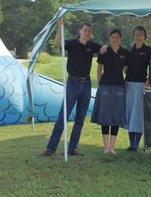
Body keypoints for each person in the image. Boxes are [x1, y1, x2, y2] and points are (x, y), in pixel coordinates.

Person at [40, 19, 104, 157]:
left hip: (86, 85)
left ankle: (72, 148)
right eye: (85, 30)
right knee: (63, 116)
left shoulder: (92, 45)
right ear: (79, 31)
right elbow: (58, 43)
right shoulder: (72, 44)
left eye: (89, 31)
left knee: (80, 118)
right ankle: (50, 148)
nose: (87, 33)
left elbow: (103, 49)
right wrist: (60, 26)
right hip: (73, 84)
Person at [91, 28, 128, 154]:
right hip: (105, 86)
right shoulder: (104, 51)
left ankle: (112, 146)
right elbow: (99, 68)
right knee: (105, 115)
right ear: (110, 38)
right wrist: (100, 82)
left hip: (119, 87)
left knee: (116, 116)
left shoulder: (124, 52)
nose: (115, 39)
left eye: (117, 37)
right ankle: (105, 146)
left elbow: (126, 70)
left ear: (120, 38)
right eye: (113, 37)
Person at [125, 26, 151, 152]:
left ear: (145, 36)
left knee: (138, 114)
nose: (138, 37)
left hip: (141, 85)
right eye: (136, 34)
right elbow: (125, 67)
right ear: (133, 36)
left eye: (141, 34)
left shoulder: (148, 50)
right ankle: (131, 144)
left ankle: (137, 143)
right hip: (129, 84)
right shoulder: (129, 50)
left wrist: (148, 82)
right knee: (130, 112)